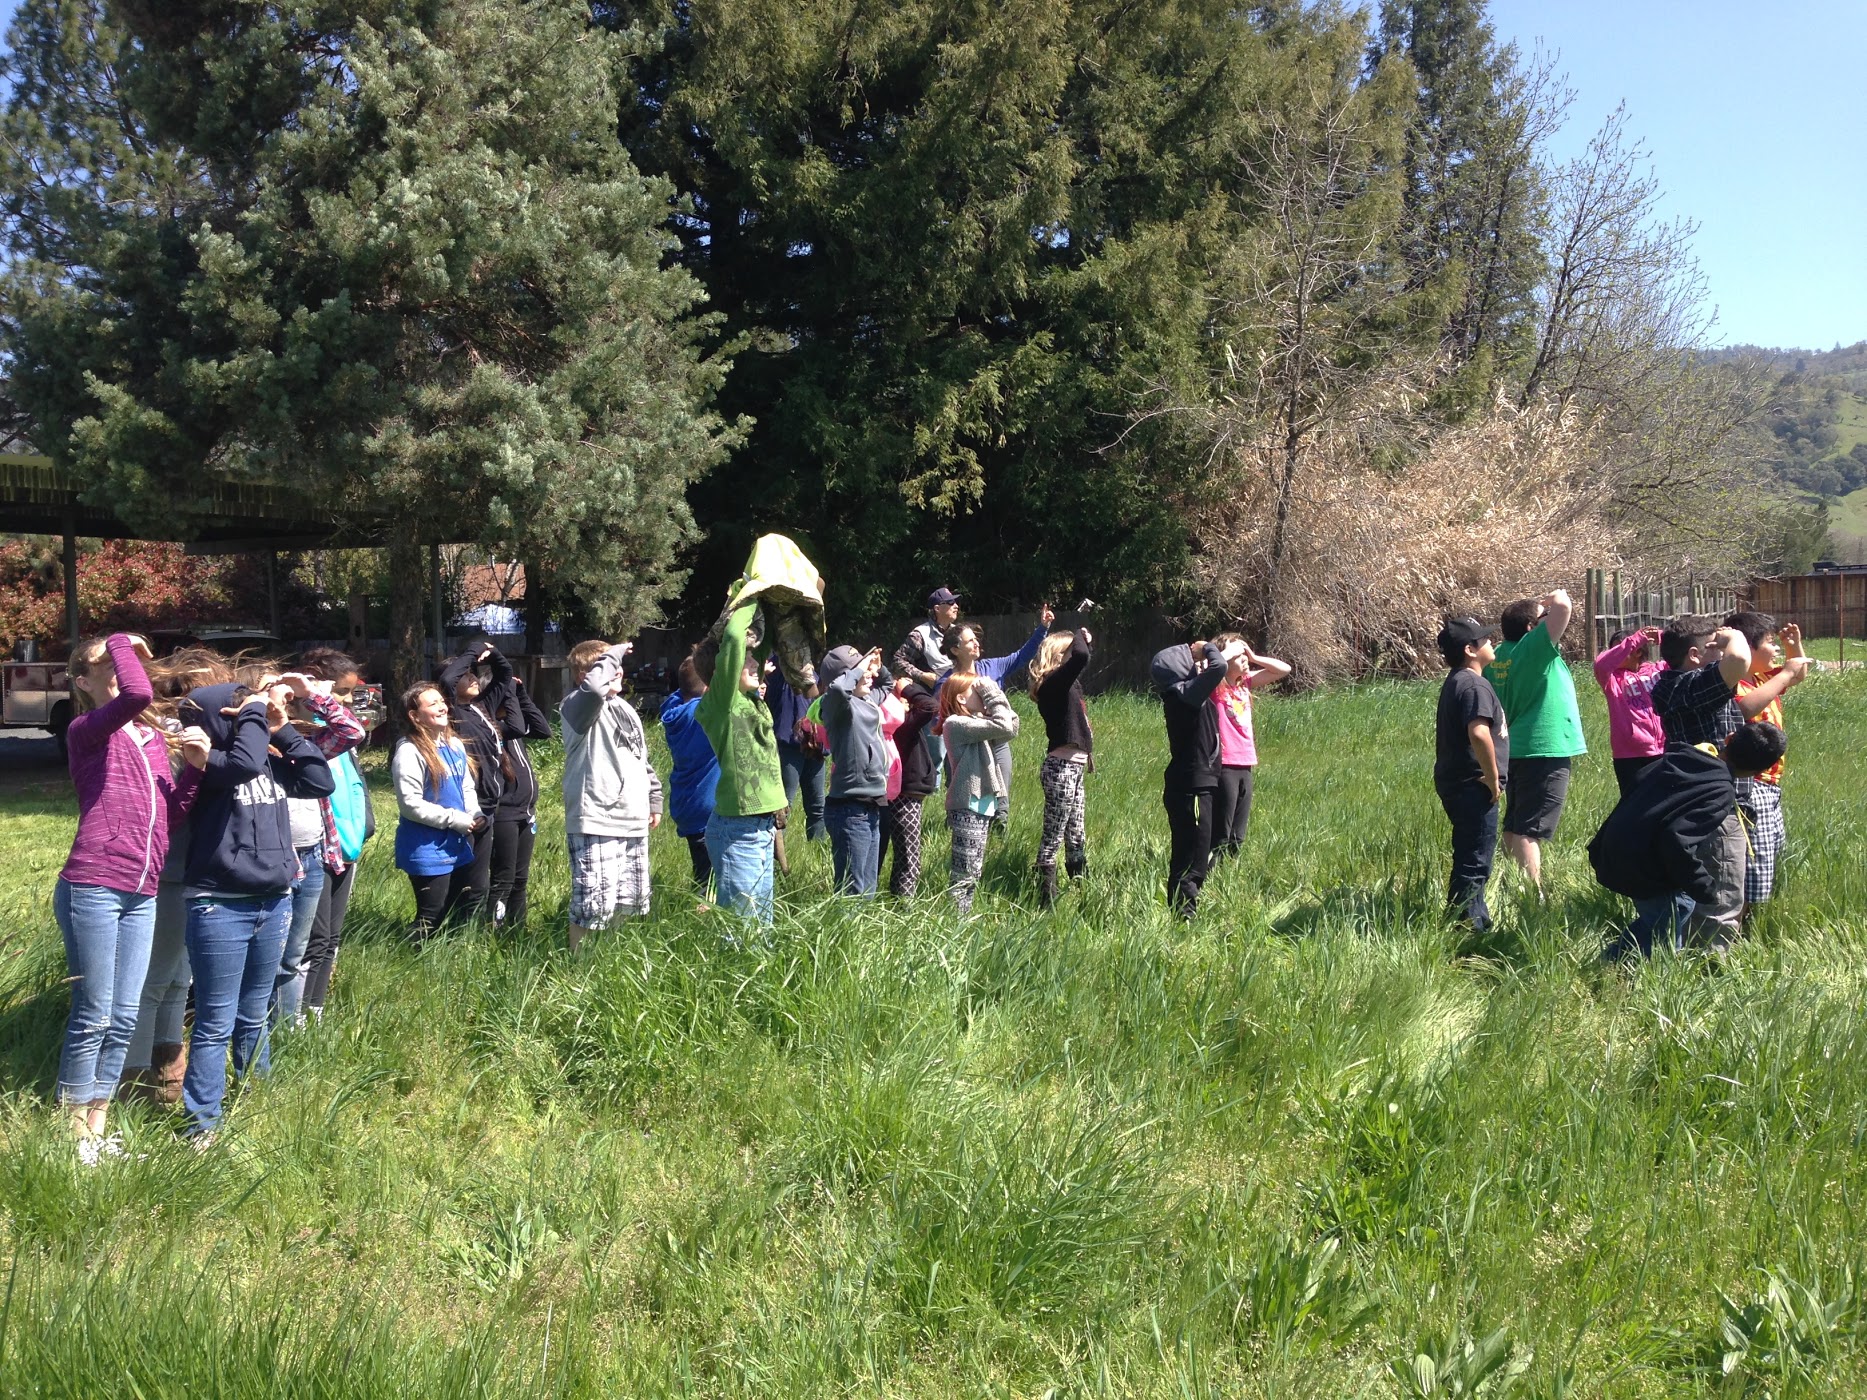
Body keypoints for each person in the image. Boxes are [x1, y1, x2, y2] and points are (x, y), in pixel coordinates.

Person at [54, 633, 205, 1160]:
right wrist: (119, 640)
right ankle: (72, 1134)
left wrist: (195, 771)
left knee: (122, 1016)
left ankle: (97, 1129)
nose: (121, 667)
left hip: (142, 890)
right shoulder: (86, 731)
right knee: (94, 1013)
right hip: (94, 884)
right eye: (107, 663)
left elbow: (171, 814)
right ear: (83, 681)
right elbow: (139, 693)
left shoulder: (150, 740)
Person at [176, 676, 334, 1141]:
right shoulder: (208, 761)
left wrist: (284, 729)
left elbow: (319, 780)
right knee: (215, 1020)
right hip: (220, 905)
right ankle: (201, 1124)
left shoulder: (265, 759)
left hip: (273, 899)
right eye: (246, 712)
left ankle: (255, 1101)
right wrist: (254, 709)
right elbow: (241, 764)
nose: (257, 717)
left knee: (254, 1011)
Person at [1650, 618, 1806, 948]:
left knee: (1717, 881)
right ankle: (1712, 959)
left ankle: (1690, 948)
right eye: (1714, 646)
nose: (1722, 650)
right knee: (1723, 885)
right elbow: (1738, 660)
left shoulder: (1683, 685)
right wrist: (1733, 635)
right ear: (1694, 655)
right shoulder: (1692, 686)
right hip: (1717, 802)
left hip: (1710, 796)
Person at [122, 648, 232, 1106]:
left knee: (179, 978)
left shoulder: (220, 738)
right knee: (155, 978)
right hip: (169, 872)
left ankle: (168, 1066)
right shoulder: (167, 741)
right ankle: (131, 1081)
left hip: (200, 873)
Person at [1591, 722, 1787, 961]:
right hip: (1642, 864)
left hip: (1612, 849)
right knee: (1672, 917)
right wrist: (1702, 885)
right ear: (1762, 771)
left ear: (1729, 738)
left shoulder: (1678, 757)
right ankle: (1615, 964)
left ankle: (1614, 964)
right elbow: (1676, 840)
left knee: (1664, 916)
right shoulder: (1719, 790)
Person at [267, 668, 365, 1028]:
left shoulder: (303, 744)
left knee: (310, 943)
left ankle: (300, 1020)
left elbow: (352, 732)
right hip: (270, 860)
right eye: (271, 689)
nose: (281, 697)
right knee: (278, 949)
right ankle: (273, 1025)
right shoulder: (241, 746)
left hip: (316, 853)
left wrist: (311, 695)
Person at [561, 639, 664, 949]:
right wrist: (614, 652)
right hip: (597, 819)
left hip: (632, 820)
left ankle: (609, 960)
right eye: (608, 666)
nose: (618, 670)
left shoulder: (624, 708)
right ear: (585, 675)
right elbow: (594, 689)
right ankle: (580, 966)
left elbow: (639, 757)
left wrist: (654, 797)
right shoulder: (577, 706)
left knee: (626, 902)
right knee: (592, 906)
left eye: (618, 665)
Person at [295, 649, 378, 1020]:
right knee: (314, 938)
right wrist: (315, 697)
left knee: (330, 937)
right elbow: (350, 731)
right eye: (341, 692)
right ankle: (295, 1014)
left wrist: (363, 827)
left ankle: (315, 1010)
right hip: (319, 847)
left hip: (347, 844)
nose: (346, 701)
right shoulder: (306, 731)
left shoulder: (336, 728)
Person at [695, 597, 787, 928]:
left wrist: (770, 604)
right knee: (743, 927)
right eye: (745, 659)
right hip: (738, 829)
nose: (754, 662)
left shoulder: (748, 699)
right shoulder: (721, 702)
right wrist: (751, 594)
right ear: (723, 670)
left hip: (760, 826)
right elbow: (734, 637)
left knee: (761, 923)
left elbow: (761, 644)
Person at [1483, 589, 1584, 890]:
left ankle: (1511, 885)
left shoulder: (1498, 656)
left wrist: (1539, 609)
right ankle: (1532, 894)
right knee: (1531, 828)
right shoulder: (1533, 648)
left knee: (1515, 824)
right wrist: (1549, 599)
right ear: (1532, 627)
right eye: (1543, 618)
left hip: (1515, 749)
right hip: (1544, 748)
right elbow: (1564, 605)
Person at [1150, 635, 1243, 918]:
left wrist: (1204, 657)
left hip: (1194, 785)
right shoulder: (1184, 695)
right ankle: (1184, 919)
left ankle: (1182, 916)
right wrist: (1208, 649)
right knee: (1192, 861)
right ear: (1178, 669)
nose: (1197, 664)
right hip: (1191, 788)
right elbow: (1218, 668)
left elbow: (1215, 672)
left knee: (1192, 857)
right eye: (1190, 661)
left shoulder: (1186, 693)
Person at [940, 606, 1052, 828]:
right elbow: (943, 718)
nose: (976, 644)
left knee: (1001, 804)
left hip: (997, 742)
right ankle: (960, 833)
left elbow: (1022, 656)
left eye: (976, 639)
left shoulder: (992, 667)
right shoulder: (948, 682)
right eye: (970, 641)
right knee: (965, 800)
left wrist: (1043, 628)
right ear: (955, 649)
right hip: (966, 747)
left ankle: (998, 838)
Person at [1724, 612, 1806, 912]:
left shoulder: (1761, 677)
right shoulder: (1735, 684)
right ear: (1748, 648)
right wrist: (1785, 674)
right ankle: (1740, 919)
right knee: (1753, 856)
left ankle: (1750, 916)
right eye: (1770, 643)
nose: (1775, 650)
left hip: (1770, 782)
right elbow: (1743, 710)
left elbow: (1798, 674)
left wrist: (1794, 647)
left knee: (1770, 847)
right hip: (1750, 782)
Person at [391, 682, 484, 942]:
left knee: (459, 910)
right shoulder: (409, 751)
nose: (442, 707)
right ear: (415, 716)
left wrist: (474, 812)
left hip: (458, 841)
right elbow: (410, 804)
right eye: (433, 704)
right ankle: (408, 956)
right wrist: (454, 819)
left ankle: (450, 957)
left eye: (442, 701)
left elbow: (466, 786)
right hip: (426, 847)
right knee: (432, 915)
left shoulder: (454, 745)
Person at [1434, 617, 1509, 931]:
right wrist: (1492, 777)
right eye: (1485, 639)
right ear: (1470, 649)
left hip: (1458, 782)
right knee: (1476, 860)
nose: (1492, 643)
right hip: (1473, 785)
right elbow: (1479, 733)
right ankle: (1469, 928)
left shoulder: (1458, 680)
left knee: (1470, 854)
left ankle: (1466, 919)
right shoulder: (1474, 684)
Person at [437, 641, 510, 922]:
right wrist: (474, 649)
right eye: (465, 675)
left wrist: (493, 653)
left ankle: (471, 932)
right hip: (468, 803)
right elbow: (446, 680)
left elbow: (504, 675)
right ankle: (452, 929)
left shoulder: (481, 707)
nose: (473, 679)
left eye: (473, 673)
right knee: (463, 879)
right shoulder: (451, 712)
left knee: (480, 881)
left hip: (489, 804)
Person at [938, 673, 1020, 914]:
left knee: (974, 871)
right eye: (977, 691)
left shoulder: (976, 722)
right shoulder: (955, 724)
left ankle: (963, 917)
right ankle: (956, 920)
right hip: (967, 806)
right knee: (963, 873)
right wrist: (992, 694)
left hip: (981, 805)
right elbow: (1003, 725)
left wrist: (995, 695)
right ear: (961, 699)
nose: (982, 693)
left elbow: (1012, 726)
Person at [1208, 633, 1292, 861]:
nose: (1244, 658)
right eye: (1238, 655)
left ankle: (1229, 873)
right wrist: (1225, 655)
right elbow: (1207, 667)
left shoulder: (1244, 683)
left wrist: (1253, 656)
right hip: (1225, 764)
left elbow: (1284, 669)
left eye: (1244, 653)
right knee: (1221, 831)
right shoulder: (1214, 686)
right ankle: (1209, 871)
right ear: (1225, 659)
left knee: (1238, 834)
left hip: (1245, 763)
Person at [818, 644, 891, 895]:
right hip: (849, 808)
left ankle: (861, 923)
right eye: (860, 669)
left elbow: (887, 685)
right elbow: (838, 688)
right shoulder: (836, 706)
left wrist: (878, 667)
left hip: (871, 804)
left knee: (868, 888)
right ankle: (842, 922)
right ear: (846, 675)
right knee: (852, 890)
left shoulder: (866, 700)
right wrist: (860, 668)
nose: (868, 673)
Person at [1029, 626, 1093, 906]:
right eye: (1069, 649)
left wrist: (1083, 642)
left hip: (1073, 768)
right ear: (1058, 655)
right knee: (1053, 834)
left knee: (1076, 833)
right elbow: (1081, 656)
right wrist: (1079, 633)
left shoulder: (1067, 684)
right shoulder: (1052, 684)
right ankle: (1046, 898)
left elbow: (1082, 658)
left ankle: (1081, 889)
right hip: (1061, 769)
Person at [662, 652, 721, 896]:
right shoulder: (703, 713)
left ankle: (700, 902)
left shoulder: (673, 709)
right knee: (711, 881)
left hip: (687, 804)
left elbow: (686, 689)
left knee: (702, 871)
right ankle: (703, 909)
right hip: (707, 808)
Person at [896, 586, 963, 781]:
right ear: (937, 608)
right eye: (950, 603)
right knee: (936, 754)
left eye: (955, 602)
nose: (956, 606)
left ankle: (954, 792)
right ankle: (932, 791)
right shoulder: (919, 634)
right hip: (934, 703)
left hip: (959, 700)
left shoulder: (958, 633)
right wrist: (923, 676)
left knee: (958, 754)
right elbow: (898, 661)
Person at [1593, 626, 1666, 797]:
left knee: (1664, 802)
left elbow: (1680, 654)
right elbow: (1601, 664)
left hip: (1663, 749)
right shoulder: (1611, 680)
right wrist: (1634, 639)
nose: (1617, 653)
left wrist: (1663, 637)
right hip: (1629, 755)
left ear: (1638, 652)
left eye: (1623, 649)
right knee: (1634, 804)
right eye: (1615, 650)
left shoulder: (1658, 671)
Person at [884, 676, 939, 898]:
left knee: (905, 856)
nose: (908, 701)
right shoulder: (899, 724)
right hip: (904, 796)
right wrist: (907, 688)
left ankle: (897, 899)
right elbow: (930, 706)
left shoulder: (901, 723)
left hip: (906, 794)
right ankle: (904, 905)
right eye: (902, 698)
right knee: (910, 859)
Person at [765, 669, 826, 843]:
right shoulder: (779, 669)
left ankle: (817, 850)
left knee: (817, 806)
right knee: (783, 806)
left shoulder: (813, 671)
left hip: (814, 745)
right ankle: (775, 852)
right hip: (788, 746)